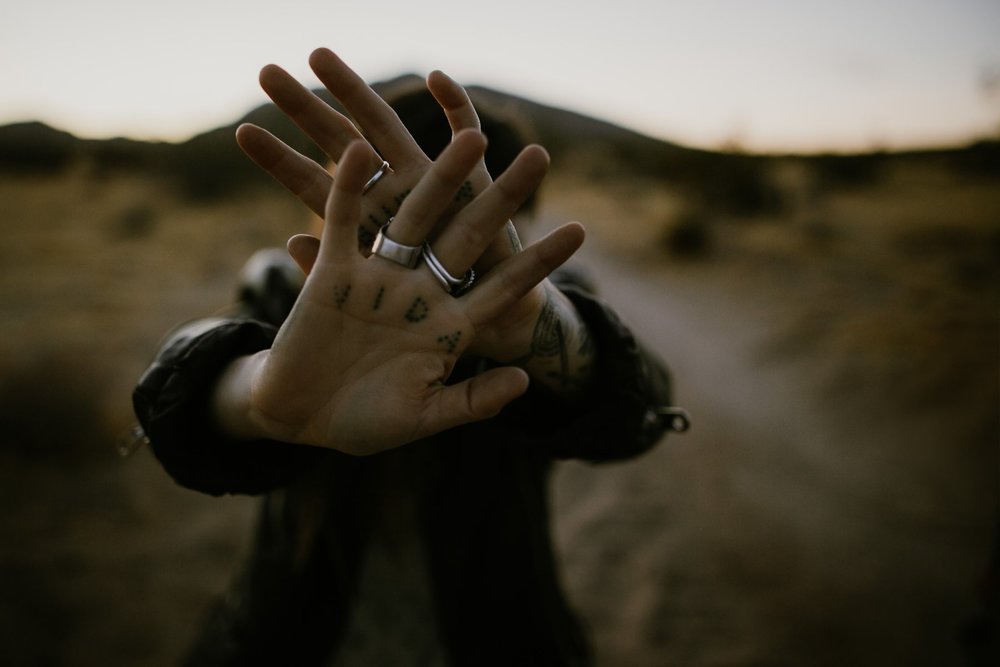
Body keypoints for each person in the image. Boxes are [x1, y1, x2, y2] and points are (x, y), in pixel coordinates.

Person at [132, 48, 686, 666]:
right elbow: (187, 381)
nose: (431, 251)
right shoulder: (295, 294)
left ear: (515, 223)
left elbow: (641, 407)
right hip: (290, 639)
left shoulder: (549, 303)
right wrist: (261, 397)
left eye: (474, 219)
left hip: (503, 639)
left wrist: (541, 330)